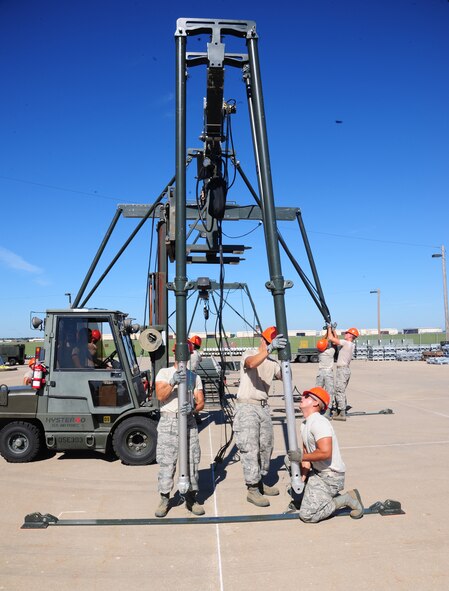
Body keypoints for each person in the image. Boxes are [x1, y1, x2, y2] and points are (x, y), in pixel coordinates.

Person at [287, 386, 364, 523]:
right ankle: (307, 495)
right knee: (289, 460)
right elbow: (306, 457)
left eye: (307, 397)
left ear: (316, 403)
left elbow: (325, 453)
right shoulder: (305, 424)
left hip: (330, 477)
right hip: (317, 472)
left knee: (308, 515)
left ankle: (347, 499)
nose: (302, 398)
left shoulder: (319, 422)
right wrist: (301, 480)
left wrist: (301, 457)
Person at [233, 326, 287, 507]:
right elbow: (251, 364)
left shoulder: (272, 362)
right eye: (269, 341)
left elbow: (286, 377)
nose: (269, 345)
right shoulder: (250, 353)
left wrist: (286, 358)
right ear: (263, 340)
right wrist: (269, 349)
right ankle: (252, 489)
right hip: (247, 406)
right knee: (250, 449)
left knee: (266, 447)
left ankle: (261, 481)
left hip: (263, 408)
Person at [154, 346, 205, 518]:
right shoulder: (164, 373)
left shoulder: (194, 377)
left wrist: (193, 407)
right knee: (167, 461)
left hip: (188, 420)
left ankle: (191, 498)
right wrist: (173, 382)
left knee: (191, 460)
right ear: (175, 354)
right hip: (169, 421)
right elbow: (160, 396)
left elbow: (201, 402)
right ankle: (164, 498)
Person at [327, 327, 359, 421]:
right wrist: (334, 331)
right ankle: (339, 410)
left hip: (342, 370)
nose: (345, 334)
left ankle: (342, 413)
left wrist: (329, 328)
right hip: (345, 370)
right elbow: (335, 342)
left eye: (347, 333)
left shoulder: (346, 343)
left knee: (339, 391)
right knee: (340, 390)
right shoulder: (350, 344)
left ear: (351, 335)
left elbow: (331, 339)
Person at [315, 327, 337, 418]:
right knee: (329, 392)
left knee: (318, 391)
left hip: (320, 373)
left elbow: (323, 341)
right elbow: (334, 341)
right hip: (328, 373)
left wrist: (327, 332)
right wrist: (333, 330)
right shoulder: (331, 352)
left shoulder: (320, 352)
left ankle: (317, 408)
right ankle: (328, 411)